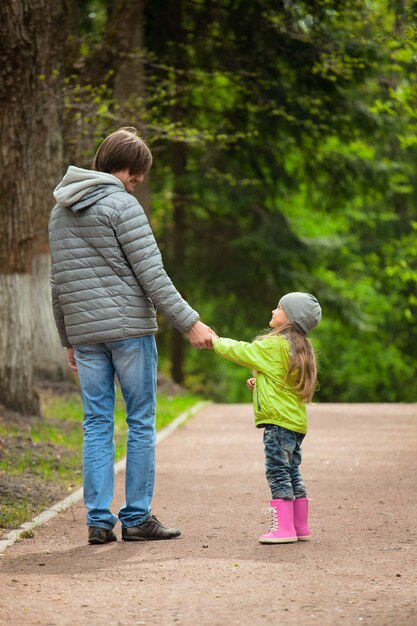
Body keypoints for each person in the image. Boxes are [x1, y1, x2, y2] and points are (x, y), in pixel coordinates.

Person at [49, 127, 215, 545]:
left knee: (96, 423)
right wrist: (189, 322)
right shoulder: (122, 206)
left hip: (86, 336)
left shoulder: (60, 211)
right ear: (119, 165)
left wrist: (67, 336)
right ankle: (137, 517)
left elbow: (58, 282)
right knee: (140, 421)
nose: (139, 179)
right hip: (128, 332)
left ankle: (99, 522)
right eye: (136, 171)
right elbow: (151, 274)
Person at [210, 292, 322, 544]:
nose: (273, 311)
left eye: (279, 307)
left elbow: (243, 352)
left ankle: (283, 530)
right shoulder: (300, 346)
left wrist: (215, 341)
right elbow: (282, 381)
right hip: (294, 424)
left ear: (290, 318)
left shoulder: (275, 344)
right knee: (292, 472)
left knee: (277, 473)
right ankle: (299, 526)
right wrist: (260, 382)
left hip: (278, 424)